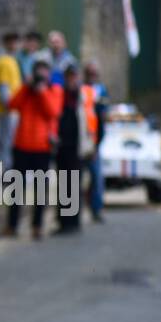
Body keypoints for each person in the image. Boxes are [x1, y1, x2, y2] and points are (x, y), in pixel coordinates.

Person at [2, 59, 63, 239]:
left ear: (49, 74)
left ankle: (37, 226)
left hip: (42, 147)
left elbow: (53, 112)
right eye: (38, 72)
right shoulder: (26, 91)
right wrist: (26, 87)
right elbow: (12, 105)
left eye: (44, 72)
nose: (40, 76)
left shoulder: (54, 90)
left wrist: (42, 91)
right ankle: (11, 226)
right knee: (16, 189)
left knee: (40, 190)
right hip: (21, 145)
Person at [52, 64, 96, 235]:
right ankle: (64, 222)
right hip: (62, 145)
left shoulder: (83, 96)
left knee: (74, 184)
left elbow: (91, 120)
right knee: (63, 184)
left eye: (74, 76)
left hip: (78, 146)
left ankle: (73, 221)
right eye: (69, 76)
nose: (71, 79)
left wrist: (91, 145)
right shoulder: (59, 94)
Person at [0, 32, 22, 171]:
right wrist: (9, 105)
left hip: (12, 107)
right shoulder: (4, 61)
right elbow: (4, 86)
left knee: (3, 140)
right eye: (12, 42)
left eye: (16, 42)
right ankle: (4, 171)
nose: (14, 45)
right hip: (8, 108)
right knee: (6, 141)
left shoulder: (11, 60)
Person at [83, 60, 109, 222]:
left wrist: (97, 144)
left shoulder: (101, 91)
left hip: (93, 141)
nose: (93, 76)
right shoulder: (79, 89)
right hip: (79, 141)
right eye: (90, 73)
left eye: (95, 73)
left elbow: (102, 119)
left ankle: (96, 209)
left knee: (96, 177)